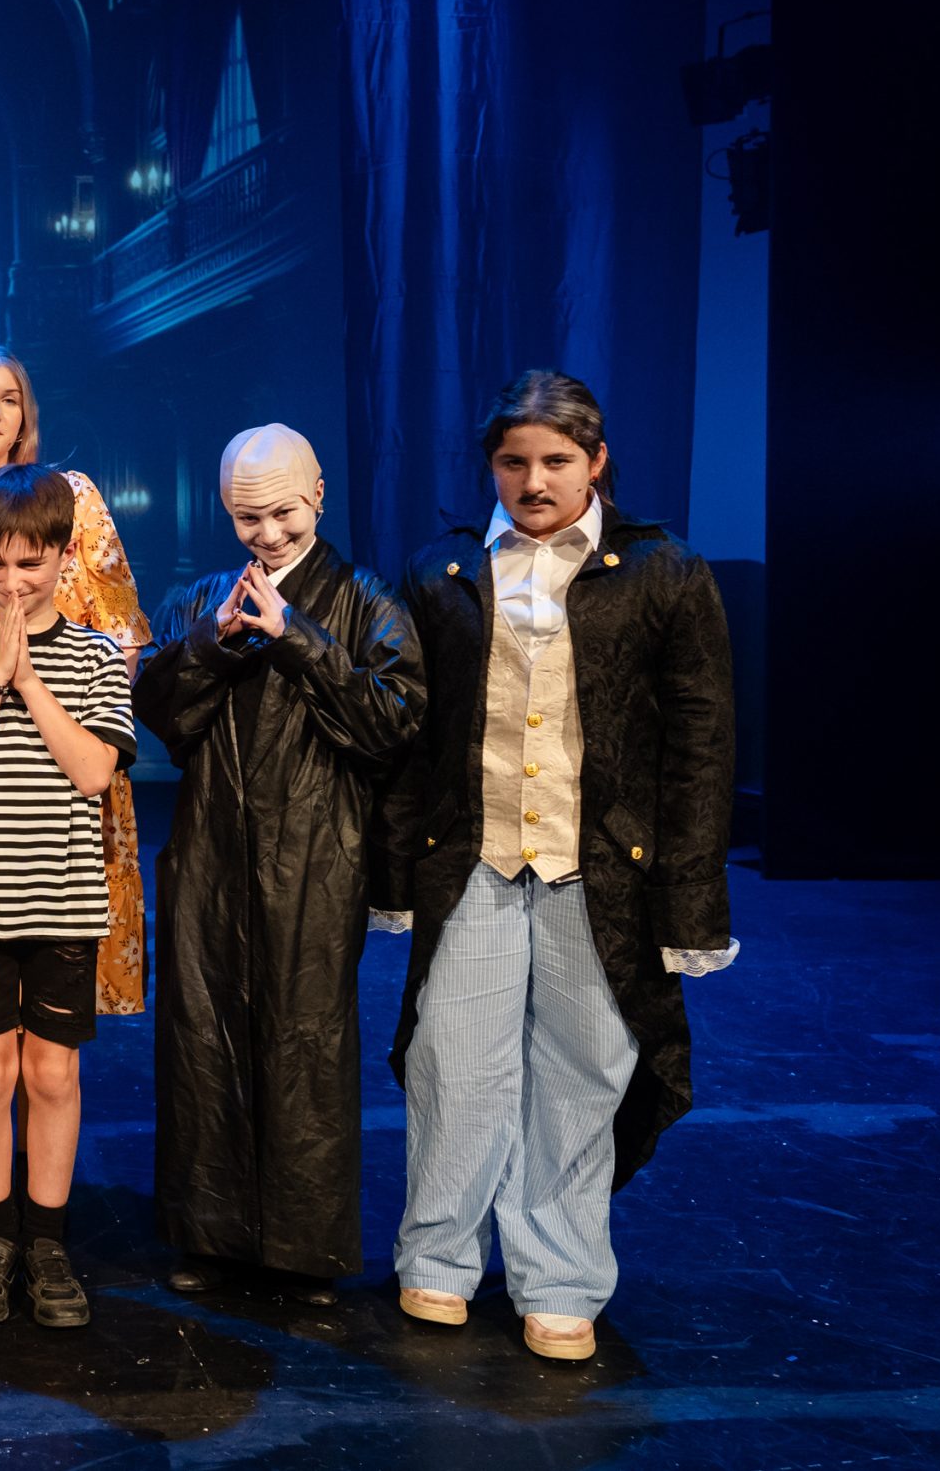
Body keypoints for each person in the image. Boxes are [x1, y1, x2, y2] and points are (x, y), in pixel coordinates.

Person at [381, 371, 737, 1362]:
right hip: (475, 860)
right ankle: (438, 1257)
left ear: (596, 461)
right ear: (490, 465)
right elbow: (413, 741)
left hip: (602, 870)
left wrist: (690, 902)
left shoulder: (664, 572)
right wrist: (392, 875)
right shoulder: (444, 571)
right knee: (453, 1064)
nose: (533, 481)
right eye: (514, 461)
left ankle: (561, 1278)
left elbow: (702, 746)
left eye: (555, 460)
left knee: (584, 1072)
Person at [133, 424, 424, 1307]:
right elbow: (159, 713)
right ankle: (209, 1232)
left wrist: (296, 636)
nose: (267, 533)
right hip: (210, 852)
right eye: (247, 517)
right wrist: (214, 641)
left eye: (284, 512)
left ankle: (304, 1248)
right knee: (203, 1037)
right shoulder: (202, 599)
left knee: (306, 1044)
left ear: (319, 495)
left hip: (316, 854)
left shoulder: (366, 599)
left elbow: (394, 721)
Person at [0, 465, 136, 1330]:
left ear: (63, 554)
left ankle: (46, 1242)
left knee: (52, 1072)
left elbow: (92, 772)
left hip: (62, 904)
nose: (12, 582)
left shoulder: (97, 653)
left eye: (30, 563)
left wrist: (29, 680)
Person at [0, 343, 152, 1023]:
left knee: (56, 1024)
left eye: (9, 398)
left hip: (71, 762)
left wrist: (77, 725)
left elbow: (122, 631)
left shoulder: (70, 495)